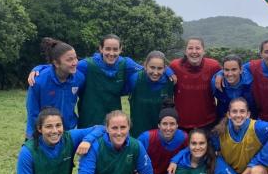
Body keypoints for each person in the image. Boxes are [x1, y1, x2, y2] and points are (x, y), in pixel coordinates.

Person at [28, 34, 172, 128]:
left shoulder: (126, 64)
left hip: (114, 122)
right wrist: (39, 67)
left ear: (121, 49)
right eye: (107, 49)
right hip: (89, 121)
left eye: (115, 49)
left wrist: (168, 70)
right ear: (100, 49)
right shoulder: (87, 65)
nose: (111, 53)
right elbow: (64, 65)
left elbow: (150, 69)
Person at [216, 39, 268, 121]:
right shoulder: (253, 66)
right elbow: (234, 68)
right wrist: (220, 74)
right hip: (261, 119)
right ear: (261, 54)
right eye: (266, 52)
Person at [25, 38, 85, 139]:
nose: (75, 62)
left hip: (67, 132)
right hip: (43, 134)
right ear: (56, 63)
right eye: (69, 60)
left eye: (75, 58)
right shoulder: (38, 81)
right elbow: (32, 112)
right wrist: (36, 136)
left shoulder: (79, 78)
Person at [135, 106, 188, 174]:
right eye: (164, 124)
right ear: (159, 125)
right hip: (149, 172)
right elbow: (134, 156)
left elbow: (190, 151)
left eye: (172, 124)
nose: (168, 128)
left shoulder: (184, 137)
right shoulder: (147, 137)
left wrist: (175, 160)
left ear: (177, 125)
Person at [170, 37, 222, 131]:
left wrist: (221, 74)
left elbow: (229, 73)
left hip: (208, 123)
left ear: (203, 51)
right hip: (180, 124)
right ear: (185, 52)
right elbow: (160, 70)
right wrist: (168, 72)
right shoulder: (175, 66)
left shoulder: (213, 66)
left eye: (198, 48)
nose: (194, 51)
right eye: (190, 48)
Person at [127, 50, 175, 138]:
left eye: (159, 68)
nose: (155, 72)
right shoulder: (135, 79)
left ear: (165, 68)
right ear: (145, 66)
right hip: (138, 134)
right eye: (152, 67)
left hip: (162, 134)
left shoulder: (170, 81)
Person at [212, 54, 256, 120]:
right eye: (226, 70)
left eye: (234, 70)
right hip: (224, 121)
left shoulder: (251, 80)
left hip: (250, 120)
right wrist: (220, 74)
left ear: (241, 70)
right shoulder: (215, 83)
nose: (230, 74)